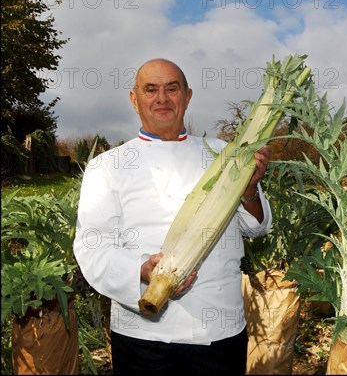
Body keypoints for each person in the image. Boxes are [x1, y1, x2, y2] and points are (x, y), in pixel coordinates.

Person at [73, 58, 273, 374]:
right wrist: (141, 270)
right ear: (134, 99)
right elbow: (92, 247)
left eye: (172, 88)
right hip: (142, 336)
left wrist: (249, 192)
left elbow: (256, 228)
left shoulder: (225, 154)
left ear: (188, 96)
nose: (162, 98)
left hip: (218, 332)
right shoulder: (108, 166)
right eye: (150, 89)